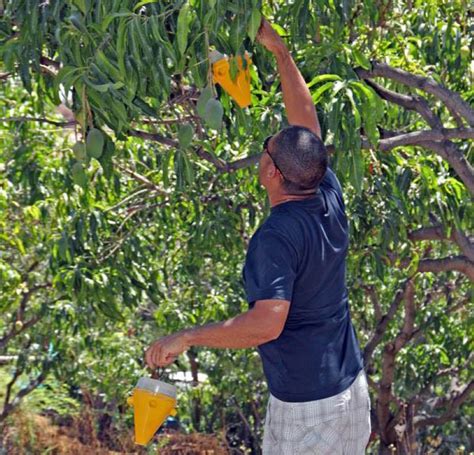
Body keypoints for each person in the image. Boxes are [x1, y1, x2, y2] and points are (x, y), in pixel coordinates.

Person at [145, 18, 371, 454]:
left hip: (309, 409)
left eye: (266, 149)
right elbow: (307, 127)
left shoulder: (276, 237)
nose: (263, 151)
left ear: (270, 171)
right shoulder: (324, 189)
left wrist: (188, 336)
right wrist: (280, 53)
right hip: (350, 388)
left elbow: (268, 323)